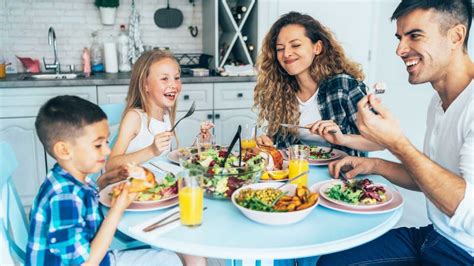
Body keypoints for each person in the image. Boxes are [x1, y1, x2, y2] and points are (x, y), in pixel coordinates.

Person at [317, 0, 474, 265]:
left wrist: (396, 143)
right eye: (400, 37)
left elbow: (467, 211)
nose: (400, 49)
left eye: (414, 35)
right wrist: (373, 164)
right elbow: (433, 178)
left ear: (456, 36)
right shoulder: (438, 102)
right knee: (331, 262)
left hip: (464, 253)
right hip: (434, 235)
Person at [26, 95, 184, 265]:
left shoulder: (66, 178)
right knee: (168, 260)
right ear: (64, 150)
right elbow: (86, 263)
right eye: (98, 145)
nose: (108, 151)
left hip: (93, 255)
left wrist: (105, 179)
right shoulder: (64, 196)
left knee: (166, 256)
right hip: (92, 260)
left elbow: (84, 199)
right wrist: (117, 209)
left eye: (106, 142)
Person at [254, 11, 383, 156]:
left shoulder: (343, 85)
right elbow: (284, 146)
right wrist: (270, 144)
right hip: (299, 174)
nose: (286, 53)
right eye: (280, 49)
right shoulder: (280, 90)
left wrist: (343, 139)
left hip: (344, 175)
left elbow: (380, 142)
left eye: (295, 45)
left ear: (317, 48)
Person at [106, 50, 213, 171]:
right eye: (164, 79)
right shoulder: (134, 118)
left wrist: (199, 146)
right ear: (145, 85)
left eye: (177, 77)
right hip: (134, 186)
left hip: (159, 184)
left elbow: (167, 160)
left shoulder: (166, 114)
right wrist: (151, 150)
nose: (174, 84)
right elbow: (111, 165)